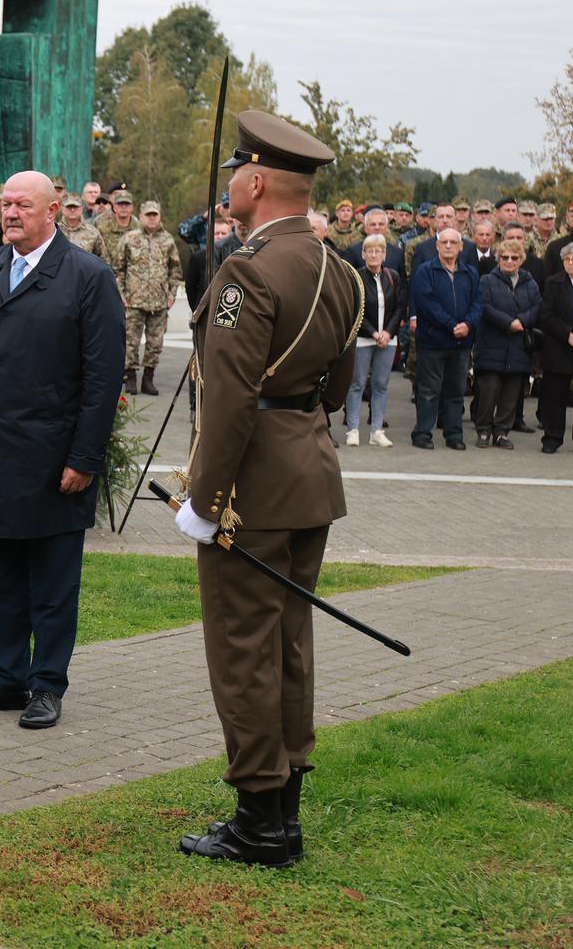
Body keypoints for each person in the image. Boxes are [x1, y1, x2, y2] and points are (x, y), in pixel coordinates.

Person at [171, 110, 362, 870]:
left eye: (232, 177)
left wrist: (203, 498)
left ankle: (257, 822)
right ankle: (282, 815)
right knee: (288, 643)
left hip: (249, 487)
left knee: (244, 649)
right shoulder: (340, 270)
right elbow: (336, 389)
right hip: (308, 474)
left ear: (253, 182)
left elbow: (227, 396)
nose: (228, 189)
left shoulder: (245, 272)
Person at [0, 168, 125, 732]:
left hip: (52, 456)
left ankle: (46, 683)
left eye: (22, 204)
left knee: (51, 581)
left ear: (54, 211)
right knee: (2, 576)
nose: (9, 213)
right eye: (5, 204)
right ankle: (7, 675)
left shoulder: (87, 276)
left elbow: (102, 380)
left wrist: (84, 458)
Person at [411, 228, 481, 449]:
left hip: (461, 344)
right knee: (429, 391)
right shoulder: (425, 271)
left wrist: (468, 324)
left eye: (453, 242)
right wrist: (453, 326)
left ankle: (454, 435)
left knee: (455, 392)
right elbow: (427, 304)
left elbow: (478, 303)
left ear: (461, 247)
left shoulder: (470, 273)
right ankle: (422, 434)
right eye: (444, 242)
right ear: (437, 245)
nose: (449, 245)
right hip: (433, 342)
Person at [472, 240, 541, 449]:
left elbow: (538, 306)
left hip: (519, 346)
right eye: (505, 257)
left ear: (521, 260)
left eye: (514, 257)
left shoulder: (530, 283)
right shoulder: (486, 281)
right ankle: (483, 430)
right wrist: (508, 323)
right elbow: (484, 306)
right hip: (492, 343)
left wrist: (522, 321)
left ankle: (501, 432)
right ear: (498, 258)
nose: (509, 261)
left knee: (511, 394)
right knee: (489, 390)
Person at [114, 199, 183, 396]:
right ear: (141, 216)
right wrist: (121, 294)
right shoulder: (129, 238)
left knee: (155, 343)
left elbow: (175, 270)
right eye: (148, 215)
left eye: (155, 215)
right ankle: (131, 377)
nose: (152, 219)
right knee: (130, 341)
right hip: (133, 300)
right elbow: (118, 268)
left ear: (159, 216)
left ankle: (148, 378)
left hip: (159, 302)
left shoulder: (168, 240)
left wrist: (170, 294)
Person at [342, 234, 400, 448]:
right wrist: (374, 333)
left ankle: (376, 430)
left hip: (388, 339)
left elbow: (399, 307)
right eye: (370, 251)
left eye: (378, 251)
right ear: (363, 254)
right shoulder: (356, 277)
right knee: (357, 384)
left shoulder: (393, 276)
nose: (374, 255)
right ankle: (353, 429)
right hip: (364, 339)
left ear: (384, 254)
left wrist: (388, 332)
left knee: (381, 385)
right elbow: (357, 309)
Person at [538, 242, 573, 455]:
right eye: (567, 259)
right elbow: (546, 314)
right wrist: (568, 335)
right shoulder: (554, 283)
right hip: (560, 346)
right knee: (554, 394)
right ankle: (552, 438)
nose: (571, 263)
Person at [186, 219, 232, 310]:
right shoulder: (198, 257)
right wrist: (197, 309)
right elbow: (191, 287)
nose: (220, 236)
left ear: (230, 236)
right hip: (205, 309)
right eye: (216, 233)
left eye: (223, 233)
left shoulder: (235, 255)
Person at [59, 194, 109, 263]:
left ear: (82, 208)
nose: (72, 209)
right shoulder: (53, 231)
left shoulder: (93, 233)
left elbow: (103, 260)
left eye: (76, 207)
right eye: (69, 207)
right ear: (62, 208)